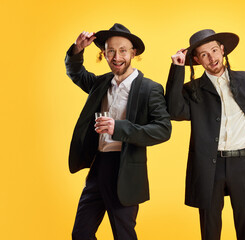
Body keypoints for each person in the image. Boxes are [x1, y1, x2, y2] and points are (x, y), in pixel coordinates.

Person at [165, 29, 245, 240]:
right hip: (208, 166)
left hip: (244, 162)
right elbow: (174, 111)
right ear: (196, 60)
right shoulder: (192, 89)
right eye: (204, 54)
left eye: (214, 50)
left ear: (222, 49)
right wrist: (177, 68)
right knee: (210, 230)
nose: (212, 58)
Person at [65, 23, 171, 240]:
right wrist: (77, 49)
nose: (116, 56)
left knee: (123, 235)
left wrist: (118, 128)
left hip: (126, 170)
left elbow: (163, 129)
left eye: (123, 50)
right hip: (98, 167)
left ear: (133, 53)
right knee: (81, 234)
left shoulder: (150, 89)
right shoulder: (101, 83)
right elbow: (75, 72)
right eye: (110, 51)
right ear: (103, 54)